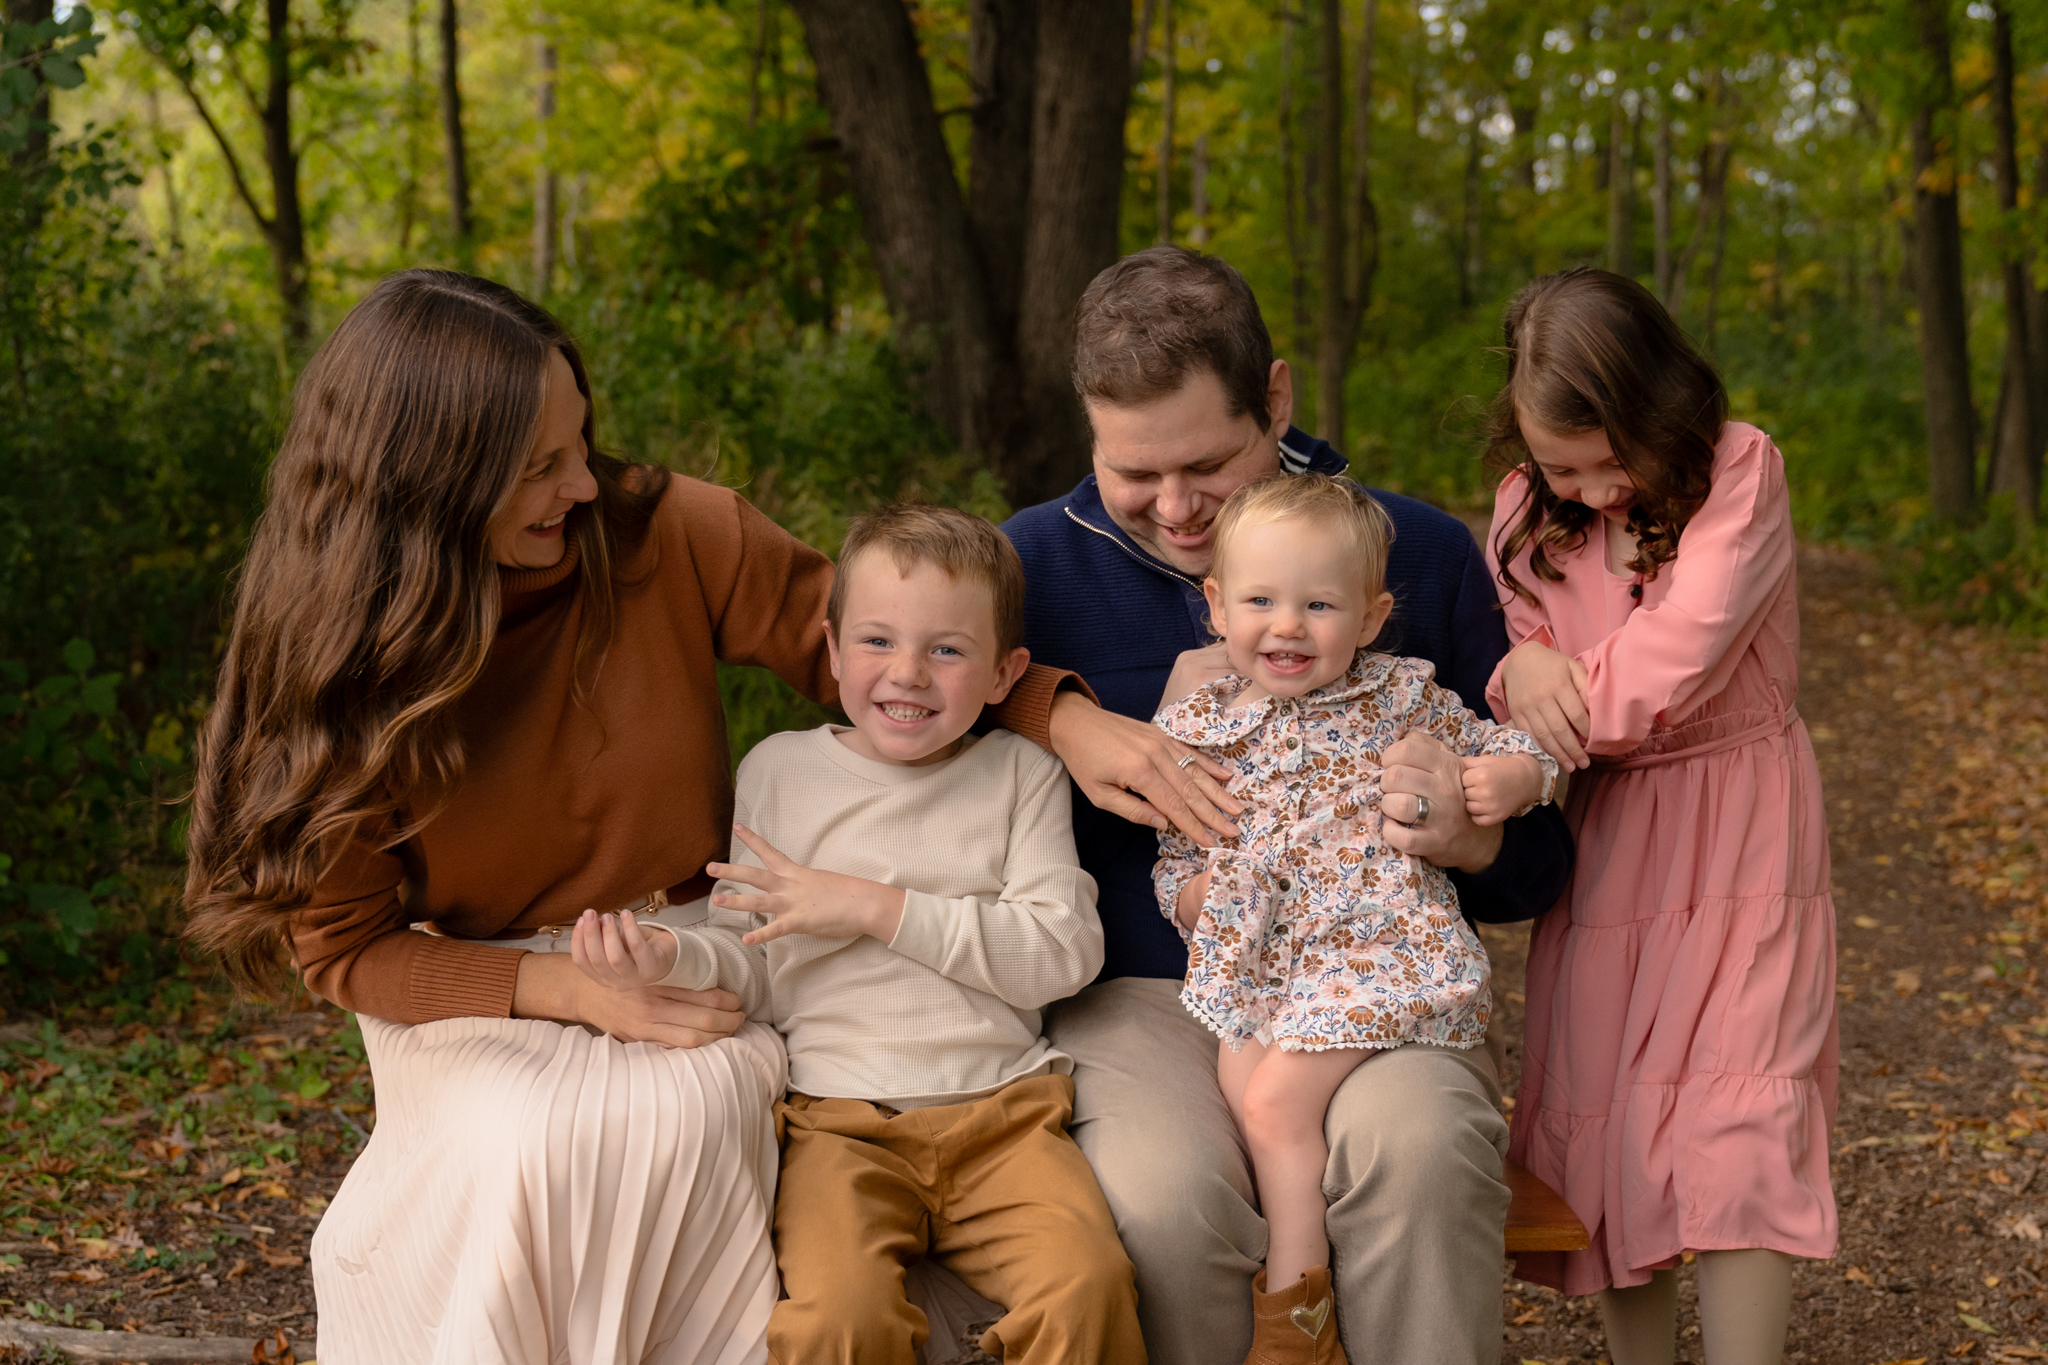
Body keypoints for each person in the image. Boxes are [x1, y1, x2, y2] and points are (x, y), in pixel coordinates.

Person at [179, 271, 1093, 1365]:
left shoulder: (666, 531)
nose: (579, 483)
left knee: (695, 1108)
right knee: (537, 1138)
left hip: (685, 945)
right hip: (473, 979)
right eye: (535, 469)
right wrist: (561, 989)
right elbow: (344, 950)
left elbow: (872, 643)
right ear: (429, 487)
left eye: (579, 440)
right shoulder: (337, 664)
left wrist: (1067, 717)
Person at [1000, 244, 1578, 1365]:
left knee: (1418, 1153)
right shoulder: (1033, 565)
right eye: (1132, 472)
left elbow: (1536, 866)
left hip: (1373, 973)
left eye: (1206, 465)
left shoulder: (1412, 552)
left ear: (1274, 398)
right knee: (1164, 1203)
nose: (1172, 509)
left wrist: (1469, 833)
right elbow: (914, 691)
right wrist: (1056, 709)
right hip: (1147, 992)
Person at [570, 504, 1146, 1365]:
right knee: (840, 1317)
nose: (907, 673)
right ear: (833, 650)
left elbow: (1061, 954)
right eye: (877, 641)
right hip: (839, 1124)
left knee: (1089, 1284)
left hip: (1005, 1119)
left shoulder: (1020, 773)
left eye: (947, 650)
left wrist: (874, 904)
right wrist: (672, 954)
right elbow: (757, 963)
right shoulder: (781, 772)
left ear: (1003, 673)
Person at [1481, 268, 1838, 1365]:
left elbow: (1680, 651)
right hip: (1607, 836)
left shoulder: (1739, 466)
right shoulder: (1516, 511)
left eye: (1607, 462)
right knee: (1609, 1124)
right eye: (1560, 468)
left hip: (1737, 820)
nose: (1587, 493)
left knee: (1740, 1116)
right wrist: (1508, 678)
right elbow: (1511, 670)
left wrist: (1544, 685)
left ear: (1657, 409)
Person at [1152, 475, 1557, 1365]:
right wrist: (1195, 896)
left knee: (1272, 1107)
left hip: (1380, 954)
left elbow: (1512, 743)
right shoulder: (1202, 725)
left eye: (1319, 604)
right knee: (1241, 1087)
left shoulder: (1400, 698)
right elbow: (1173, 860)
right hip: (1263, 969)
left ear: (1371, 618)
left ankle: (1295, 1324)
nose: (1287, 625)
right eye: (1260, 600)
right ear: (1217, 606)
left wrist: (1518, 780)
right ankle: (1317, 1294)